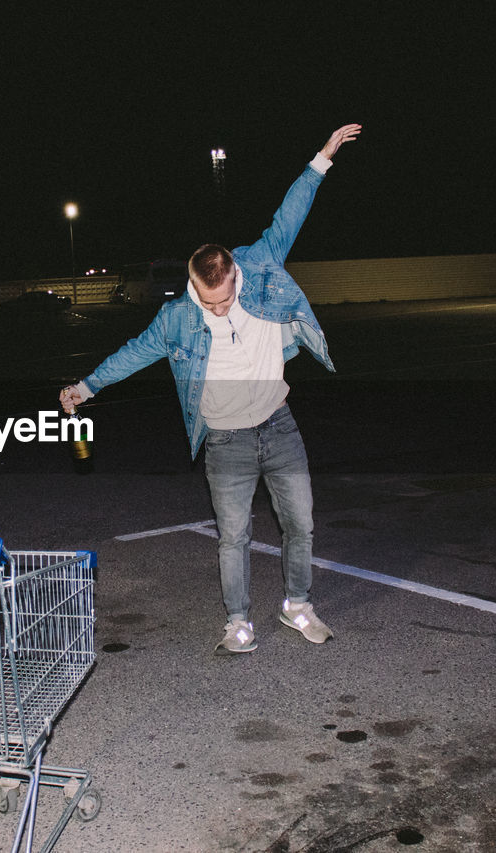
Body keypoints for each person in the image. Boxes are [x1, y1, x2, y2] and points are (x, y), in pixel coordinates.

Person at [60, 123, 362, 655]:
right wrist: (87, 386)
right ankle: (238, 622)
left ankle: (297, 605)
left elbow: (290, 212)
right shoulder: (179, 316)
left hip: (279, 425)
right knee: (234, 537)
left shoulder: (261, 266)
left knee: (301, 525)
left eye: (224, 299)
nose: (219, 309)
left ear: (233, 275)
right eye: (209, 301)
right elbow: (135, 351)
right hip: (225, 440)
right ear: (195, 283)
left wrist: (322, 157)